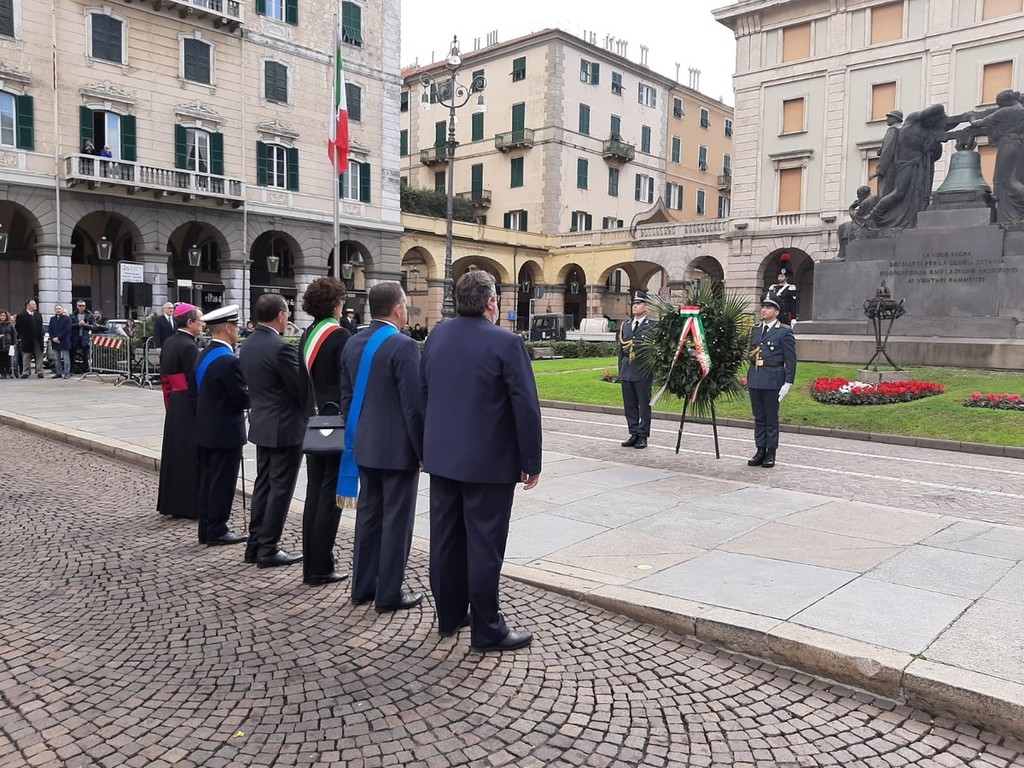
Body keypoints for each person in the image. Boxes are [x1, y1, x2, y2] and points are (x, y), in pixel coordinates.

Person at [421, 270, 542, 652]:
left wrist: (425, 449)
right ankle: (487, 628)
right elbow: (526, 406)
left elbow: (422, 394)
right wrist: (531, 459)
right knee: (485, 546)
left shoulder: (437, 336)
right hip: (489, 463)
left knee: (446, 540)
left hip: (442, 459)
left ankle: (450, 614)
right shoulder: (507, 342)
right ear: (491, 302)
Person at [340, 282, 424, 611]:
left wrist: (359, 434)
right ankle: (388, 594)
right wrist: (422, 451)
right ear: (398, 309)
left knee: (369, 517)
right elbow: (413, 407)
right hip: (398, 450)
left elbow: (347, 398)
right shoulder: (404, 345)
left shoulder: (352, 342)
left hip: (364, 445)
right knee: (397, 523)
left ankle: (362, 588)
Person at [238, 293, 305, 568]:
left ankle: (255, 545)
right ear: (280, 315)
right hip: (285, 427)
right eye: (287, 313)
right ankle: (269, 548)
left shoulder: (249, 344)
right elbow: (300, 389)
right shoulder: (280, 348)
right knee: (280, 490)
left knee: (264, 485)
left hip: (263, 424)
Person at [297, 277, 351, 585]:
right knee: (331, 497)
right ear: (336, 305)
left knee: (314, 493)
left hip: (314, 422)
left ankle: (312, 563)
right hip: (335, 423)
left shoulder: (307, 335)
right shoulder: (340, 335)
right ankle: (320, 566)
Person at [194, 305, 250, 547]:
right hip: (225, 431)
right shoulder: (228, 361)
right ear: (227, 328)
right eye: (235, 326)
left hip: (206, 428)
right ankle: (217, 529)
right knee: (222, 483)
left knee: (208, 481)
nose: (237, 330)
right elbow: (241, 398)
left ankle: (206, 528)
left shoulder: (204, 354)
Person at [157, 303, 203, 524]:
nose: (202, 325)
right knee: (189, 455)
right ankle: (190, 505)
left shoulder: (170, 342)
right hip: (187, 402)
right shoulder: (189, 346)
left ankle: (172, 502)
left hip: (175, 399)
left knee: (175, 453)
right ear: (190, 322)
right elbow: (194, 381)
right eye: (200, 321)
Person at [746, 296, 797, 470]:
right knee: (759, 416)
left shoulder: (784, 331)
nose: (764, 310)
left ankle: (771, 452)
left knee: (771, 418)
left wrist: (788, 382)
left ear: (776, 311)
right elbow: (751, 353)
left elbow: (791, 360)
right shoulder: (755, 329)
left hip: (773, 379)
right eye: (763, 306)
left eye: (768, 307)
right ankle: (760, 449)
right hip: (756, 377)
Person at [618, 291, 655, 449]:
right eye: (633, 303)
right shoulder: (626, 325)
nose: (635, 306)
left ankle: (642, 435)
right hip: (627, 369)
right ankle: (633, 433)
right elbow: (621, 350)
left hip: (642, 369)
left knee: (644, 405)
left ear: (646, 307)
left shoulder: (652, 325)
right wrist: (620, 369)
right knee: (630, 405)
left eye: (638, 303)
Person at [15, 299, 44, 379]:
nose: (35, 305)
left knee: (39, 355)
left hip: (38, 339)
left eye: (35, 304)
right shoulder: (21, 315)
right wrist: (22, 336)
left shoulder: (38, 315)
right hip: (27, 339)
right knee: (26, 355)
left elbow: (40, 326)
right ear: (28, 305)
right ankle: (26, 372)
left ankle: (40, 371)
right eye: (33, 304)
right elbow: (18, 327)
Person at [69, 300, 95, 374]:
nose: (82, 307)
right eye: (80, 306)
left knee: (86, 355)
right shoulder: (72, 315)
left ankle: (85, 369)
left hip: (85, 338)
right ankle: (71, 369)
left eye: (83, 306)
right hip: (74, 337)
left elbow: (94, 326)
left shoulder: (89, 315)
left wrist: (86, 325)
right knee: (72, 354)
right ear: (77, 306)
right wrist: (78, 324)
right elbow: (69, 325)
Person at [48, 305, 72, 379]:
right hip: (55, 341)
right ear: (54, 310)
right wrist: (53, 338)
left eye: (59, 309)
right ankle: (58, 372)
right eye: (56, 309)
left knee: (66, 358)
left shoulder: (67, 319)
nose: (58, 310)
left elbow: (67, 329)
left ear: (62, 310)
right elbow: (50, 329)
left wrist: (58, 337)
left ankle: (66, 372)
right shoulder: (52, 319)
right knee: (56, 358)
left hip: (64, 340)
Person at [0, 310, 17, 379]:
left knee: (8, 359)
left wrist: (14, 343)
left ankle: (7, 372)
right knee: (1, 359)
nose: (2, 317)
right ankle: (1, 372)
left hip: (8, 344)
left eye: (4, 315)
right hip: (0, 344)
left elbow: (14, 334)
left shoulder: (10, 324)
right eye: (1, 315)